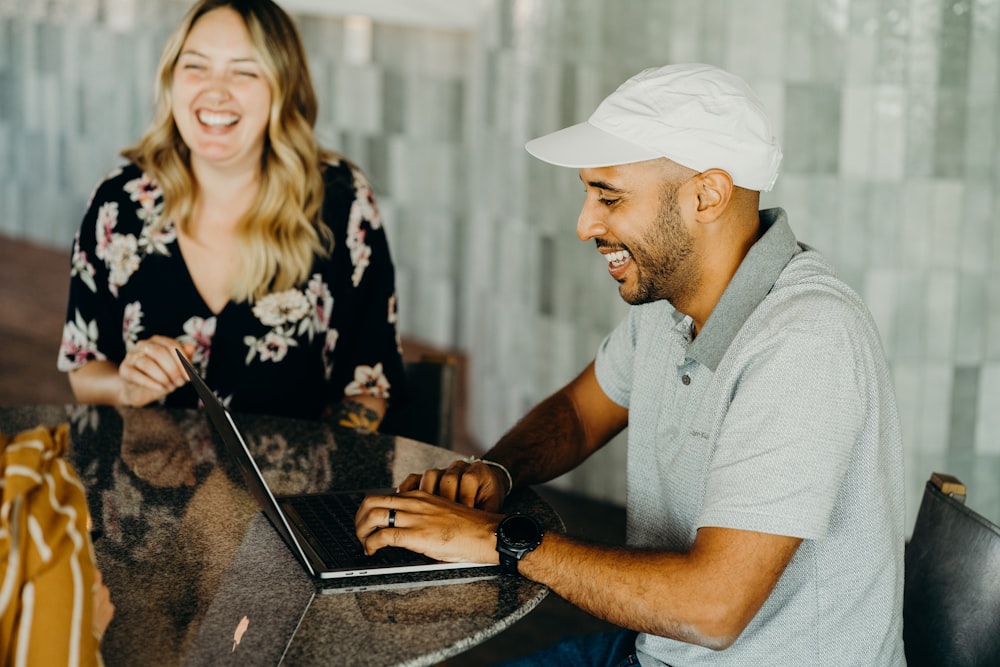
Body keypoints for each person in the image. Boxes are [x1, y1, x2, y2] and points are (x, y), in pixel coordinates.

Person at [355, 63, 905, 666]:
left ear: (707, 194)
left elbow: (712, 609)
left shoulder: (806, 340)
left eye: (609, 196)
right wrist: (497, 472)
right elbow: (580, 412)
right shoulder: (672, 300)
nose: (585, 224)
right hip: (658, 650)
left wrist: (495, 540)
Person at [57, 0, 406, 430]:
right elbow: (85, 369)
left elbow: (368, 386)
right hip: (148, 490)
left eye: (244, 71)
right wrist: (124, 388)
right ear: (171, 80)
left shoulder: (339, 202)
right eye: (197, 66)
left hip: (291, 495)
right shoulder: (119, 204)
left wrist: (320, 489)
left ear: (282, 86)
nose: (215, 91)